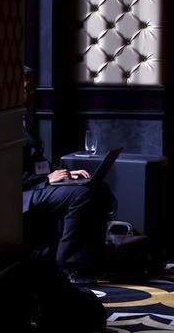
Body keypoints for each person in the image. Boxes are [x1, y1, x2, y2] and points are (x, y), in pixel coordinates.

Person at [21, 66, 113, 285]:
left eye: (33, 89)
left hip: (37, 183)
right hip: (21, 192)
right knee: (79, 196)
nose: (32, 94)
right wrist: (46, 179)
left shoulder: (24, 118)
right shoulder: (2, 122)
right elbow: (3, 172)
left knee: (97, 188)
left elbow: (35, 162)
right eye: (27, 89)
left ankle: (92, 262)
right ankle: (67, 267)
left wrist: (62, 172)